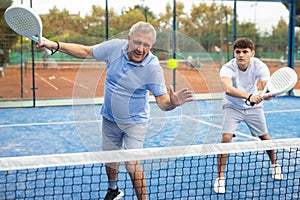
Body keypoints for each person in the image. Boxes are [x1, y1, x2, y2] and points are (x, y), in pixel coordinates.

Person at [36, 21, 194, 200]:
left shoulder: (152, 67)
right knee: (110, 157)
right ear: (129, 39)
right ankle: (114, 189)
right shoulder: (114, 48)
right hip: (109, 118)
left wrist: (172, 103)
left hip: (135, 122)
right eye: (137, 42)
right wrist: (53, 44)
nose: (141, 49)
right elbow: (86, 51)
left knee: (132, 164)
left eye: (146, 45)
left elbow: (162, 101)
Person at [214, 37, 283, 194]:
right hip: (232, 105)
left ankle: (275, 165)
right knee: (226, 138)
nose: (241, 55)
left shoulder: (260, 66)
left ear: (252, 53)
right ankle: (220, 178)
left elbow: (266, 86)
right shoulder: (227, 68)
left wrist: (268, 93)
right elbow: (228, 89)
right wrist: (249, 96)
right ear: (234, 53)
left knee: (265, 137)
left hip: (254, 108)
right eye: (238, 52)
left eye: (245, 52)